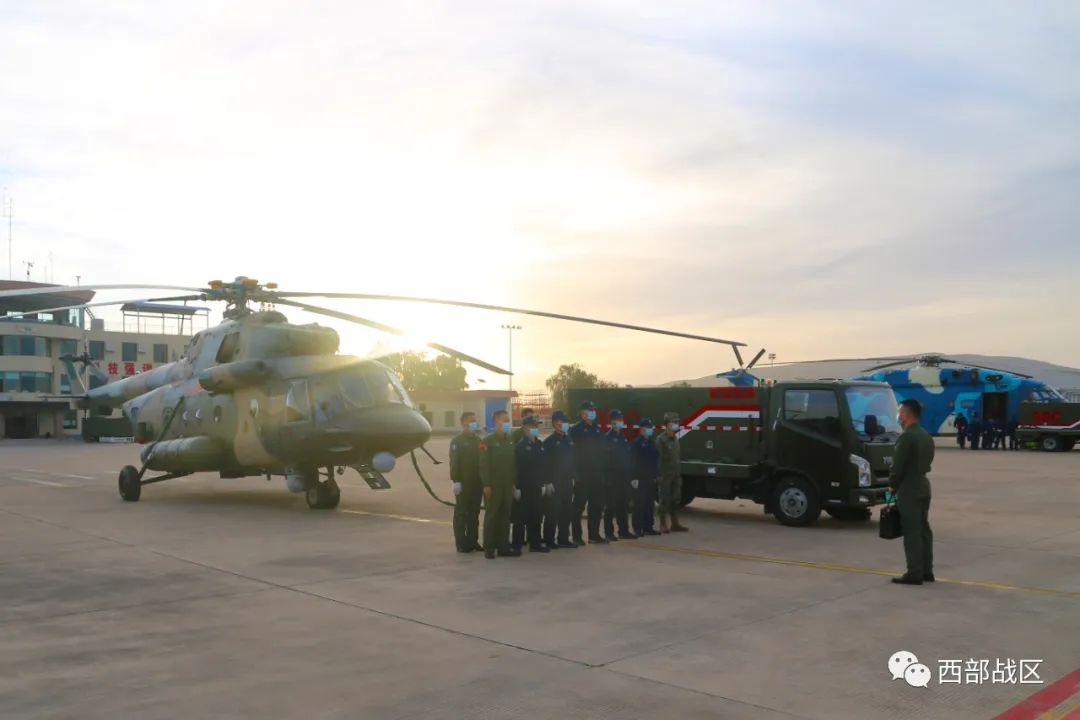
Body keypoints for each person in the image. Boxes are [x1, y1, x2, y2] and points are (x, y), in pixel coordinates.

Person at [888, 398, 935, 585]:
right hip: (923, 485)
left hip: (909, 489)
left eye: (900, 412)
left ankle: (914, 573)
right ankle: (926, 571)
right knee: (924, 530)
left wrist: (892, 484)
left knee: (912, 532)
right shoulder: (925, 436)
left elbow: (898, 466)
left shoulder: (907, 437)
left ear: (906, 415)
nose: (898, 416)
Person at [480, 409, 520, 559]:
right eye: (505, 420)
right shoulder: (487, 441)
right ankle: (489, 548)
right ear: (497, 422)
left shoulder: (510, 439)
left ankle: (503, 547)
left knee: (505, 516)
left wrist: (513, 483)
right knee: (492, 516)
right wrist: (486, 484)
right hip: (493, 486)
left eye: (508, 420)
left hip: (507, 485)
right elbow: (483, 465)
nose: (508, 423)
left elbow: (513, 464)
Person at [570, 400, 606, 545]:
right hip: (582, 474)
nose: (592, 413)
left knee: (596, 506)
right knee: (578, 506)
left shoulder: (597, 429)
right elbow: (572, 453)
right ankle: (576, 537)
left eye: (593, 410)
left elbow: (602, 451)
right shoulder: (575, 430)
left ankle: (594, 535)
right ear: (582, 413)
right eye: (589, 410)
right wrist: (575, 473)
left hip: (596, 474)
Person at [513, 415, 549, 553]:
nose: (535, 428)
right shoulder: (521, 446)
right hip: (524, 487)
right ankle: (517, 545)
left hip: (537, 486)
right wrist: (516, 487)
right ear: (525, 428)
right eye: (532, 426)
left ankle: (535, 543)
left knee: (536, 516)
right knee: (520, 518)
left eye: (536, 426)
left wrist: (544, 483)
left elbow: (543, 466)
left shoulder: (540, 445)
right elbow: (516, 467)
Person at [543, 410, 578, 549]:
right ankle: (549, 539)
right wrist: (547, 482)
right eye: (560, 421)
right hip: (554, 482)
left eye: (565, 421)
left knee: (566, 512)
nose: (563, 423)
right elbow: (545, 464)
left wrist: (574, 477)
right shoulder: (549, 442)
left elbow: (573, 461)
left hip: (567, 482)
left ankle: (563, 538)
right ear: (554, 423)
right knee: (552, 512)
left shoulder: (569, 440)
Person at [449, 411, 483, 553]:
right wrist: (456, 480)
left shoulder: (478, 440)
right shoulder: (457, 441)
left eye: (475, 420)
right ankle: (461, 543)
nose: (475, 423)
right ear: (464, 423)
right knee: (461, 514)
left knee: (474, 513)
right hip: (464, 482)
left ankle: (472, 541)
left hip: (477, 482)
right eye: (472, 420)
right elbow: (454, 462)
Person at [603, 409, 635, 540]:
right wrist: (607, 478)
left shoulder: (623, 437)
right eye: (617, 419)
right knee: (610, 506)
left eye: (621, 419)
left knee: (623, 505)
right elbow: (605, 460)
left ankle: (623, 531)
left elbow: (627, 457)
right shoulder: (607, 438)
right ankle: (609, 533)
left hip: (624, 477)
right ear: (611, 422)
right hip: (612, 477)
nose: (620, 422)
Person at [656, 411, 688, 533]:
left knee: (676, 499)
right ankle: (663, 524)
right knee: (664, 500)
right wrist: (659, 475)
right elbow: (658, 459)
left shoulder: (675, 439)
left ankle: (675, 524)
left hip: (675, 475)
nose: (676, 424)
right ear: (667, 424)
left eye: (677, 422)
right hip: (665, 475)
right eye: (674, 422)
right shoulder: (661, 440)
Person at [631, 418, 660, 536]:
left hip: (650, 478)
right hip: (640, 478)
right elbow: (633, 461)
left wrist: (656, 476)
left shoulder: (651, 442)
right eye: (647, 427)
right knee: (639, 504)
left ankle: (648, 527)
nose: (649, 429)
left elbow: (655, 460)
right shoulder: (637, 443)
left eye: (650, 427)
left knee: (649, 504)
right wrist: (634, 478)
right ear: (641, 429)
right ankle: (638, 528)